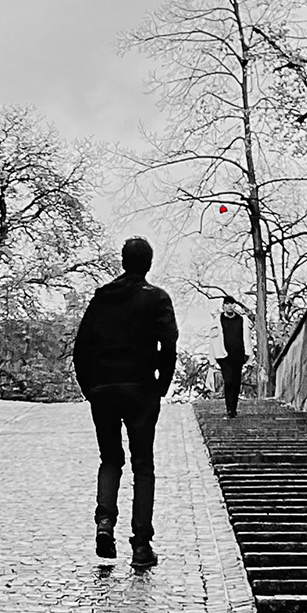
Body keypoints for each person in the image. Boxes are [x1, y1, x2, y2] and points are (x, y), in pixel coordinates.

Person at [72, 237, 178, 569]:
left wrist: (90, 388)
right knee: (143, 465)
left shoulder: (102, 299)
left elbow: (81, 348)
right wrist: (161, 385)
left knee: (110, 459)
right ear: (148, 263)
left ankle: (105, 522)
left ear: (122, 261)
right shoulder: (157, 298)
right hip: (141, 389)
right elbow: (169, 345)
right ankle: (141, 545)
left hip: (104, 389)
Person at [217, 294, 247, 418]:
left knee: (236, 382)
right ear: (223, 306)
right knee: (228, 380)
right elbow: (213, 339)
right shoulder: (218, 320)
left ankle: (233, 408)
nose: (229, 306)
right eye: (227, 304)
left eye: (231, 304)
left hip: (238, 355)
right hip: (224, 356)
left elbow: (246, 337)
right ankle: (229, 408)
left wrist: (247, 354)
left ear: (235, 305)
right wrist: (213, 357)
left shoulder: (241, 319)